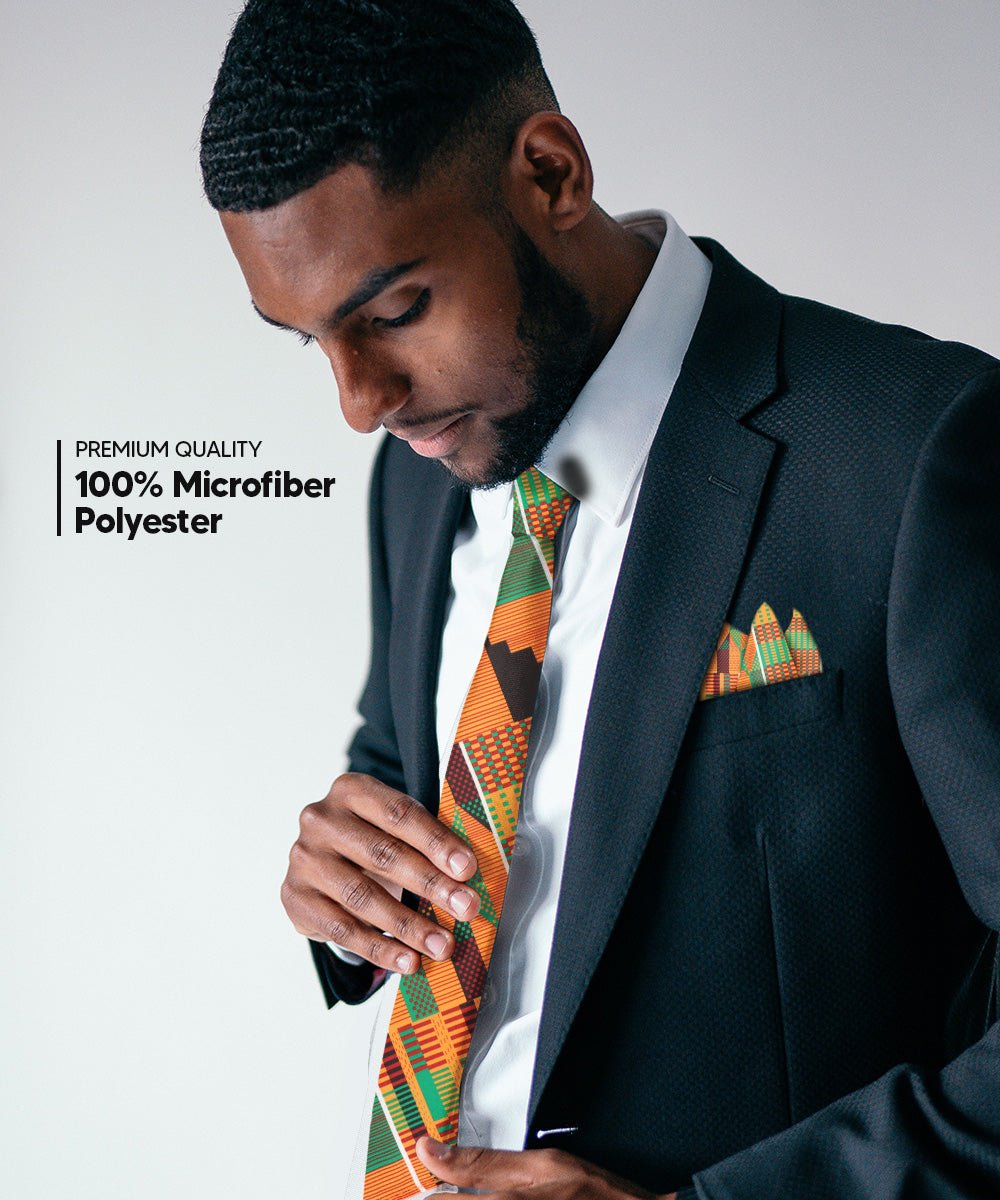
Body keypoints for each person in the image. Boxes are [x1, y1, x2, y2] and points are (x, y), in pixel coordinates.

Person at [199, 1, 1000, 1197]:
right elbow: (410, 769)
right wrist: (348, 880)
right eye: (307, 341)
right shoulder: (420, 475)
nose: (359, 403)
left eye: (395, 311)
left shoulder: (913, 453)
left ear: (549, 174)